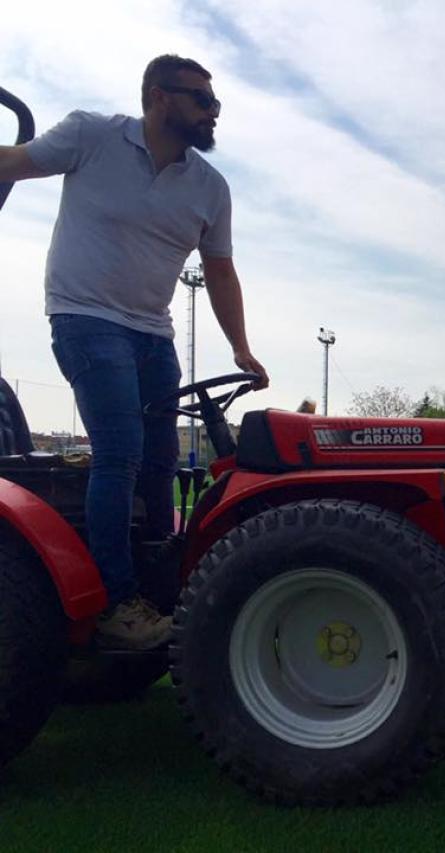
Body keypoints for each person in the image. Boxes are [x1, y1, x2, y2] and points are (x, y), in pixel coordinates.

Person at [0, 55, 268, 648]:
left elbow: (220, 272)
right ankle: (113, 602)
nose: (213, 110)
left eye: (215, 100)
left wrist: (241, 347)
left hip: (154, 333)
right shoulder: (93, 136)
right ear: (158, 97)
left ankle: (159, 583)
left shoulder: (209, 186)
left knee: (161, 461)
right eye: (200, 98)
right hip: (85, 318)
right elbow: (15, 162)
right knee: (119, 451)